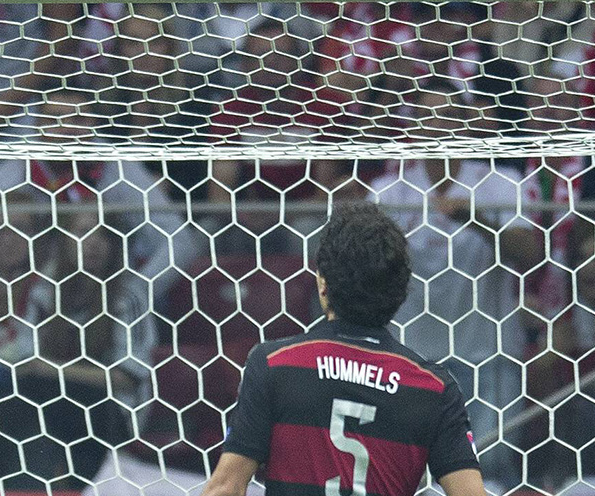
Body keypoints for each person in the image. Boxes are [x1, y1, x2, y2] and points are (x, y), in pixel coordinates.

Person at [200, 202, 489, 496]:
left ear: (323, 284)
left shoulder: (275, 364)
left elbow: (226, 487)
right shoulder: (434, 389)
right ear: (400, 293)